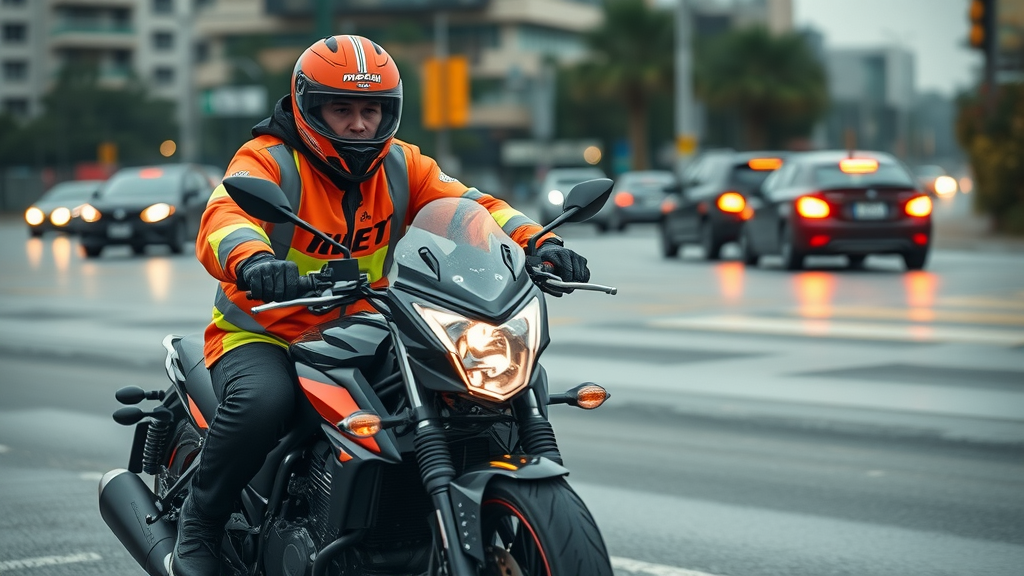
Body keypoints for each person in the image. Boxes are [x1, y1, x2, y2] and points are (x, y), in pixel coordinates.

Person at [171, 34, 591, 576]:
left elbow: (473, 207)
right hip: (265, 333)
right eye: (341, 109)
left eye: (371, 110)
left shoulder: (401, 166)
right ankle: (199, 526)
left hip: (365, 325)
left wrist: (540, 243)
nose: (359, 124)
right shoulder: (270, 162)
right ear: (307, 106)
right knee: (262, 403)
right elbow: (224, 216)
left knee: (465, 387)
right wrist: (253, 261)